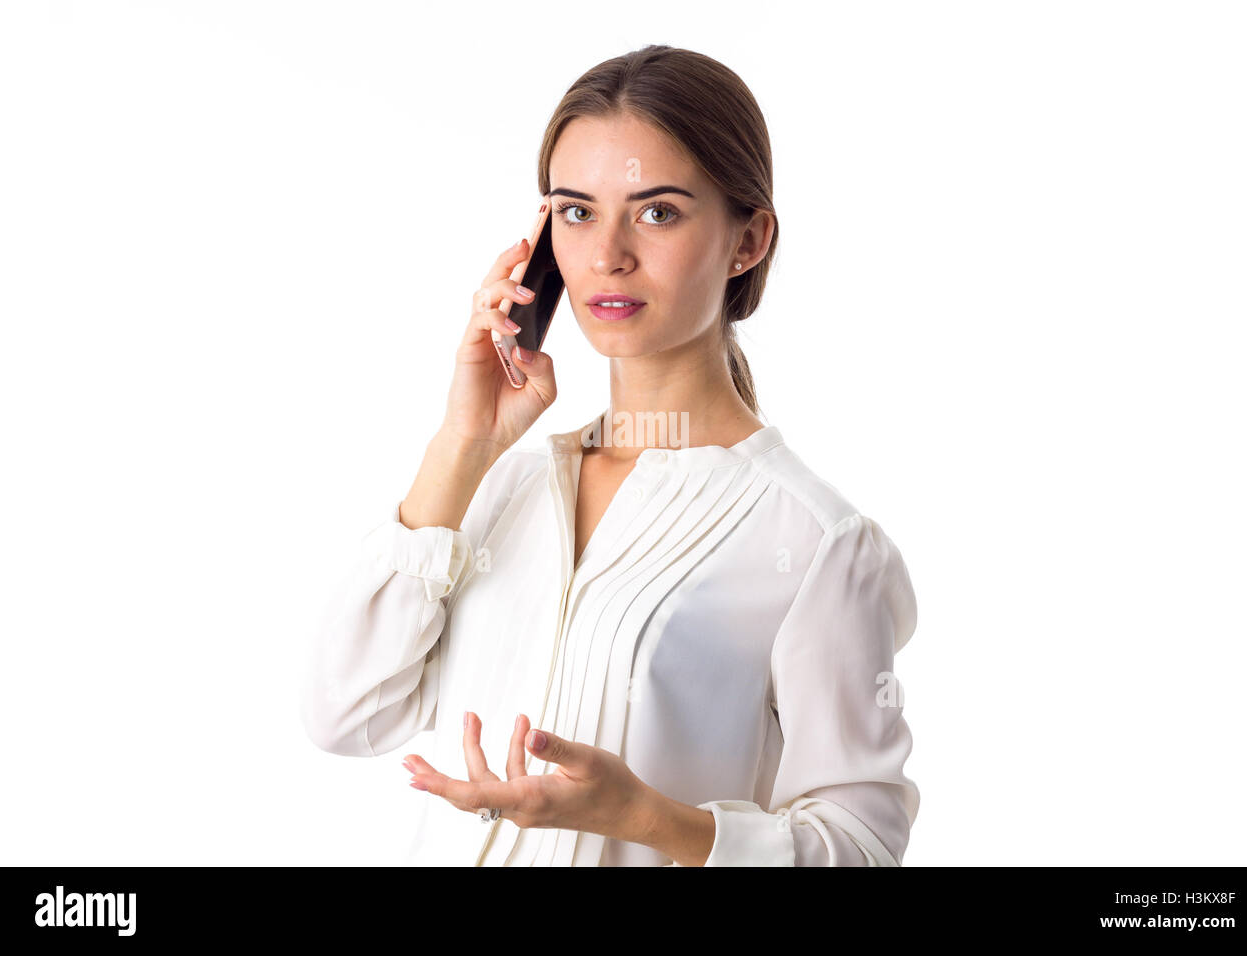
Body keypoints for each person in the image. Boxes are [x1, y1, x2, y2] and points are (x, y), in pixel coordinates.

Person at [300, 44, 920, 866]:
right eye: (577, 211)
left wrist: (651, 818)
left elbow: (862, 849)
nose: (606, 256)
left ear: (748, 241)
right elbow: (345, 714)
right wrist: (463, 444)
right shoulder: (505, 481)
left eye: (657, 211)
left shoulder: (818, 544)